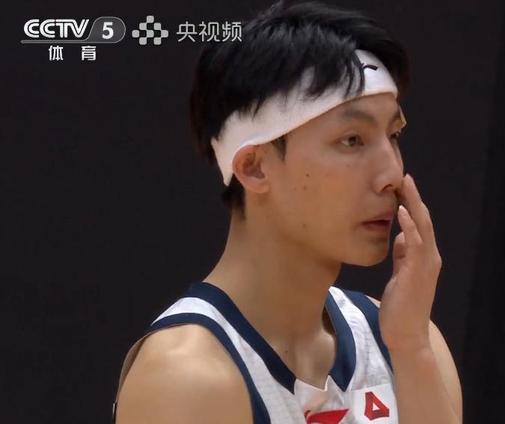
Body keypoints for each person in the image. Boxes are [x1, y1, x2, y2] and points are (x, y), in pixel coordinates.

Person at [112, 1, 462, 422]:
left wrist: (411, 349)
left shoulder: (408, 341)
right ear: (254, 167)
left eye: (394, 135)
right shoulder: (188, 379)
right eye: (352, 140)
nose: (391, 174)